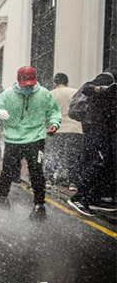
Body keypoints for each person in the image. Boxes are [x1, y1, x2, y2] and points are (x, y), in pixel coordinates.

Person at [0, 66, 61, 220]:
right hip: (12, 139)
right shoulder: (8, 94)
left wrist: (54, 124)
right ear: (18, 81)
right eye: (25, 85)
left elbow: (54, 112)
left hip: (36, 138)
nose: (28, 87)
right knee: (7, 170)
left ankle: (39, 204)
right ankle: (2, 197)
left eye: (30, 85)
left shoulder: (44, 94)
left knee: (36, 170)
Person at [67, 70, 117, 216]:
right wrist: (102, 89)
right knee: (100, 160)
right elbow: (87, 88)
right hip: (94, 125)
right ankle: (78, 197)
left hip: (106, 128)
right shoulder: (109, 77)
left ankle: (94, 198)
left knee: (108, 161)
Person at [44, 73, 83, 190]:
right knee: (74, 156)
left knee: (54, 154)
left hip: (56, 129)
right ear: (67, 82)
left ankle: (49, 179)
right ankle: (73, 182)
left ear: (54, 83)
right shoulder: (75, 92)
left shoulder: (50, 94)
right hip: (75, 128)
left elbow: (46, 113)